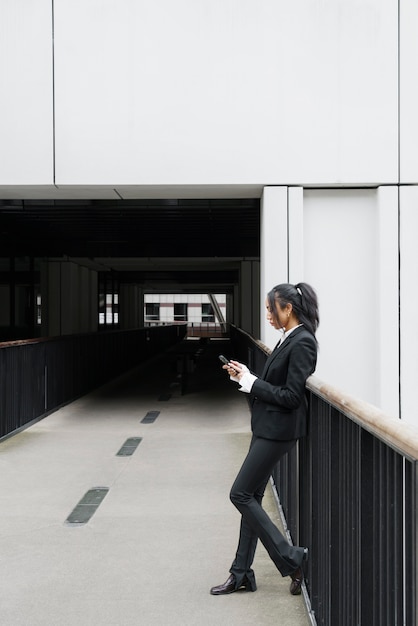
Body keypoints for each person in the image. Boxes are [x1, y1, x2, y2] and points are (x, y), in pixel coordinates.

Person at [210, 282, 319, 597]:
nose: (268, 315)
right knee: (251, 498)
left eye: (272, 309)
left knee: (240, 494)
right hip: (268, 428)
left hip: (278, 431)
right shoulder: (288, 338)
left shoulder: (303, 342)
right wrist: (246, 376)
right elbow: (274, 383)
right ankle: (241, 572)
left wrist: (251, 382)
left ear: (288, 309)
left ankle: (290, 557)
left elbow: (290, 396)